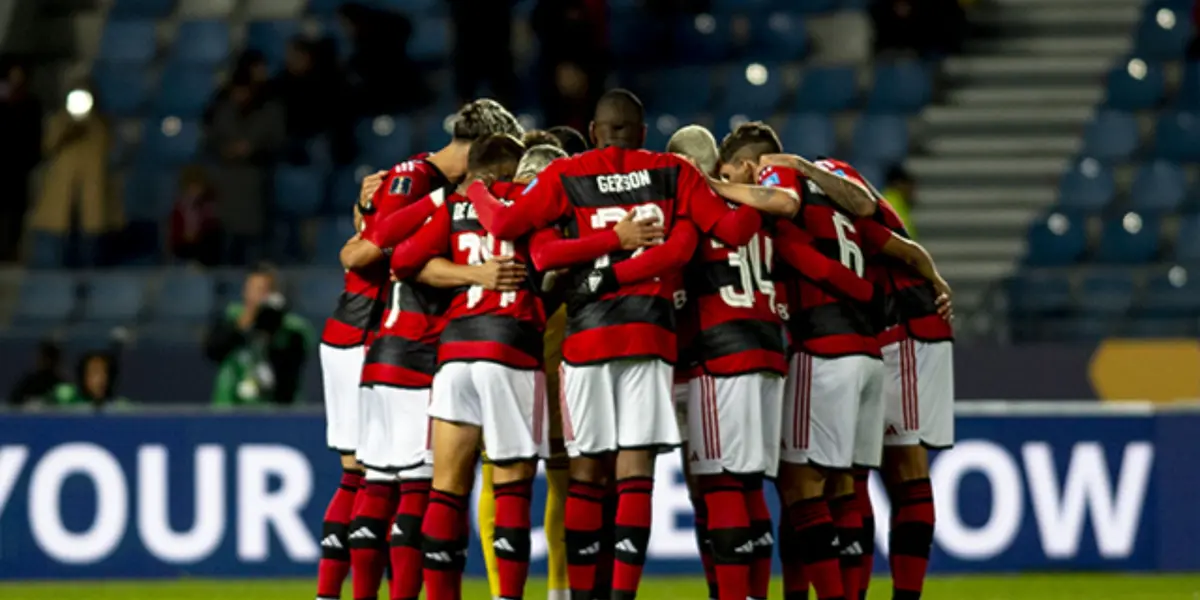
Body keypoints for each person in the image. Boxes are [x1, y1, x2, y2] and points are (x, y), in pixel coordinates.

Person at [464, 88, 762, 600]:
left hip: (586, 339)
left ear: (594, 132)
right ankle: (623, 594)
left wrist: (476, 192)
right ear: (644, 134)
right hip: (649, 335)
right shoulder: (676, 173)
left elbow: (513, 230)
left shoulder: (567, 174)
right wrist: (757, 193)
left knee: (584, 475)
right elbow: (734, 231)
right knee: (635, 475)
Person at [666, 124, 877, 600]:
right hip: (774, 351)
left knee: (725, 488)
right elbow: (871, 229)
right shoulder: (769, 212)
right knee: (767, 487)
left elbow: (677, 262)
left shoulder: (698, 208)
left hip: (718, 356)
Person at [329, 98, 525, 600]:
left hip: (384, 342)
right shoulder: (420, 183)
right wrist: (382, 217)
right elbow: (362, 252)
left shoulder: (422, 179)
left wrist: (367, 211)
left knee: (373, 483)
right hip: (387, 336)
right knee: (411, 485)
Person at [768, 157, 954, 600]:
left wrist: (933, 283)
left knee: (904, 467)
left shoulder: (822, 186)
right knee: (852, 476)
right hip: (876, 329)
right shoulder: (826, 216)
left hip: (902, 323)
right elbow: (903, 246)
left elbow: (881, 226)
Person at [475, 141, 572, 600]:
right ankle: (557, 588)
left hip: (510, 344)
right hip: (533, 344)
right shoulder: (552, 210)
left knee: (508, 472)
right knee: (551, 473)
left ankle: (538, 589)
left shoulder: (493, 203)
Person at [28, 81, 116, 268]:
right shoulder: (58, 122)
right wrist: (68, 128)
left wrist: (91, 122)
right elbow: (47, 147)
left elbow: (109, 151)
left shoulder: (101, 126)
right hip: (62, 206)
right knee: (55, 258)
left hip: (90, 206)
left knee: (90, 256)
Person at [203, 73, 285, 265]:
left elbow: (277, 143)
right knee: (227, 244)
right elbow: (210, 143)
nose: (240, 96)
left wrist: (253, 149)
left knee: (254, 245)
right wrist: (227, 150)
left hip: (256, 182)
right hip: (226, 184)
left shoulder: (268, 112)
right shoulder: (222, 112)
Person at [204, 263, 314, 405]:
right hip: (229, 408)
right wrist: (243, 325)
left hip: (277, 412)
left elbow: (291, 371)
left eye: (265, 291)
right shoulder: (230, 319)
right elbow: (213, 352)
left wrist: (271, 326)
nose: (259, 297)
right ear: (245, 291)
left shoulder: (292, 330)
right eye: (255, 290)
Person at [0, 56, 42, 262]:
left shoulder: (32, 103)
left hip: (18, 168)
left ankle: (11, 251)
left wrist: (30, 159)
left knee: (15, 212)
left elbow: (35, 136)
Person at [168, 165, 221, 266]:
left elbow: (211, 229)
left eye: (198, 188)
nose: (196, 191)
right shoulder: (179, 208)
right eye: (193, 187)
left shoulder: (204, 208)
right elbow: (175, 235)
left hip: (200, 249)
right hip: (183, 250)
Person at [53, 351, 131, 409]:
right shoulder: (64, 401)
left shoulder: (120, 408)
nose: (102, 378)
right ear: (84, 376)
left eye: (106, 372)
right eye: (95, 372)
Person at [7, 340, 64, 406]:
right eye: (46, 357)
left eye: (52, 358)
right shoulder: (29, 382)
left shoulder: (62, 385)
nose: (48, 361)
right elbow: (13, 402)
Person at [881, 164, 917, 238]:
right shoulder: (891, 204)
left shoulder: (899, 203)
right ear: (899, 184)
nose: (912, 191)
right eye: (910, 186)